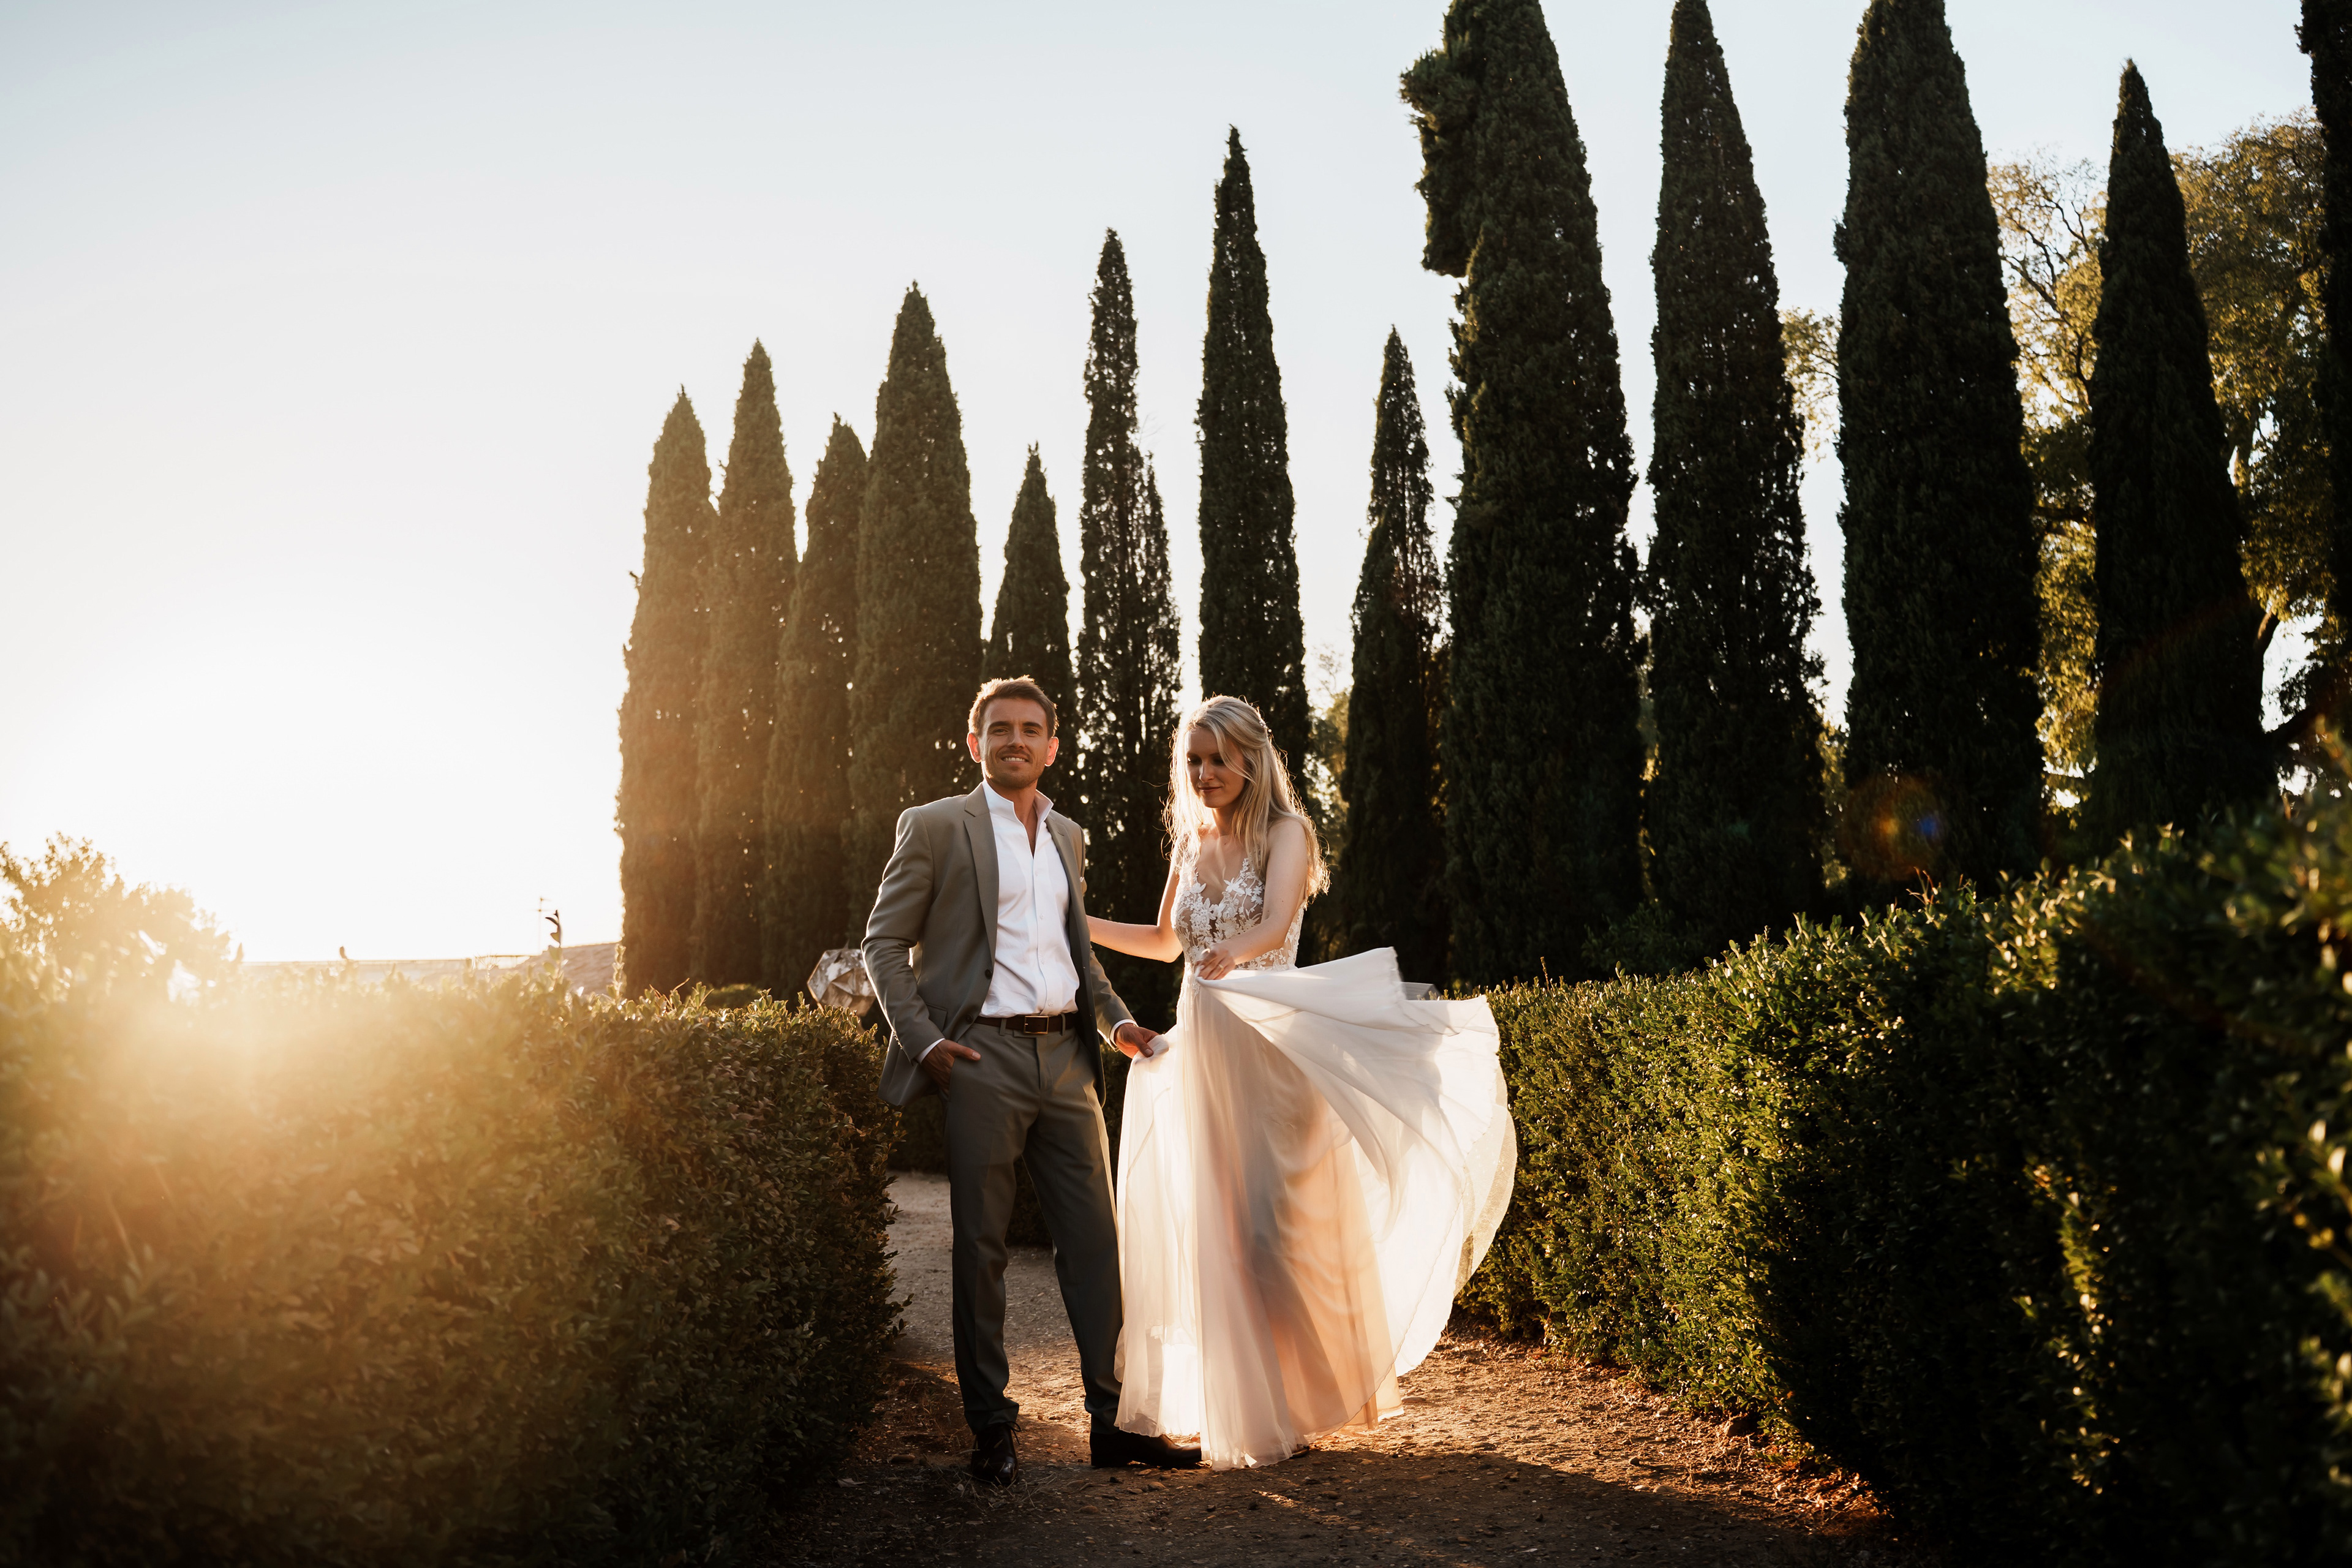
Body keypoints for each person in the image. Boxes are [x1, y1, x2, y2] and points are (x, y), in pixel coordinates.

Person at [1088, 695, 1517, 1470]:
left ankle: (1314, 1391)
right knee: (1219, 1234)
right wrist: (1075, 921)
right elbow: (1160, 941)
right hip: (1204, 1057)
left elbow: (1277, 922)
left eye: (1218, 758)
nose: (1205, 773)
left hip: (1270, 1043)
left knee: (1273, 1232)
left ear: (1253, 760)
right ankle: (1252, 1411)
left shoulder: (1288, 832)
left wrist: (1234, 952)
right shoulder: (1188, 842)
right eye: (1194, 759)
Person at [864, 677, 1202, 1486]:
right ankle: (992, 1431)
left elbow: (1075, 956)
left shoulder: (1068, 838)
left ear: (1053, 746)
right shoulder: (936, 826)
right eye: (1000, 729)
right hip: (982, 1059)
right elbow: (882, 945)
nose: (1016, 741)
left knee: (1094, 1246)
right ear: (975, 744)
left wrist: (1117, 1022)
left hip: (1069, 1063)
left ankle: (1114, 1424)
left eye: (1032, 729)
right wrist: (928, 1044)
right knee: (980, 1250)